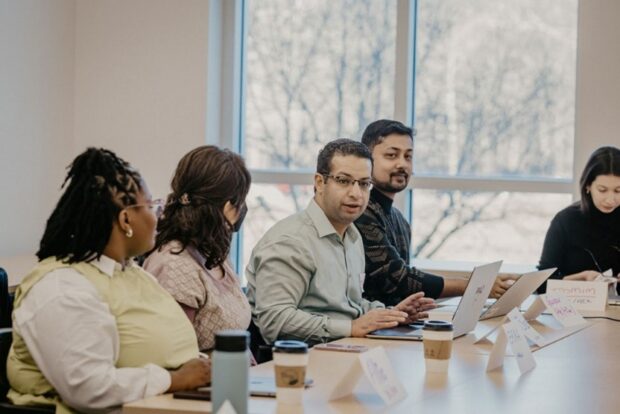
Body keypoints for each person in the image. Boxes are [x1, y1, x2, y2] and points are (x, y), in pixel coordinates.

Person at [7, 148, 210, 413]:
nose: (158, 216)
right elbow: (88, 387)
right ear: (126, 219)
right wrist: (175, 379)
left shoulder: (130, 273)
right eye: (151, 206)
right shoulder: (61, 288)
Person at [245, 139, 436, 346]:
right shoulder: (290, 241)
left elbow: (349, 305)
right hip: (302, 361)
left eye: (364, 184)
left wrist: (391, 315)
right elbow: (275, 321)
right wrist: (351, 328)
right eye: (344, 181)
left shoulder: (352, 236)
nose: (356, 194)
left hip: (343, 348)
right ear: (319, 183)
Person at [354, 119, 516, 306]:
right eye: (391, 155)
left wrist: (472, 282)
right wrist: (471, 286)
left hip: (395, 323)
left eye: (408, 157)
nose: (402, 165)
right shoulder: (361, 212)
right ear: (367, 160)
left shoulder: (399, 220)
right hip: (370, 326)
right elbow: (398, 279)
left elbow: (407, 282)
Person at [144, 146, 252, 352]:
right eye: (241, 199)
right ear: (229, 207)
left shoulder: (211, 253)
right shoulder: (175, 265)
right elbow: (175, 353)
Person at [538, 146, 620, 291]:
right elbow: (541, 282)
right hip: (571, 309)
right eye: (602, 190)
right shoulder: (566, 220)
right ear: (588, 186)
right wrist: (578, 279)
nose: (611, 199)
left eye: (618, 190)